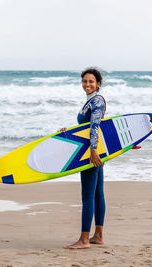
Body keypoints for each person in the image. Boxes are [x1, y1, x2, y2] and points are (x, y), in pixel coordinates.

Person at [62, 68, 106, 249]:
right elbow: (86, 127)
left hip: (90, 153)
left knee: (88, 195)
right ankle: (98, 236)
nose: (87, 85)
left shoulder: (97, 101)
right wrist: (68, 133)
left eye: (91, 82)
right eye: (84, 81)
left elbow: (95, 126)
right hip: (96, 151)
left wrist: (93, 151)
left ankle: (84, 240)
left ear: (98, 84)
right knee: (97, 194)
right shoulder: (92, 101)